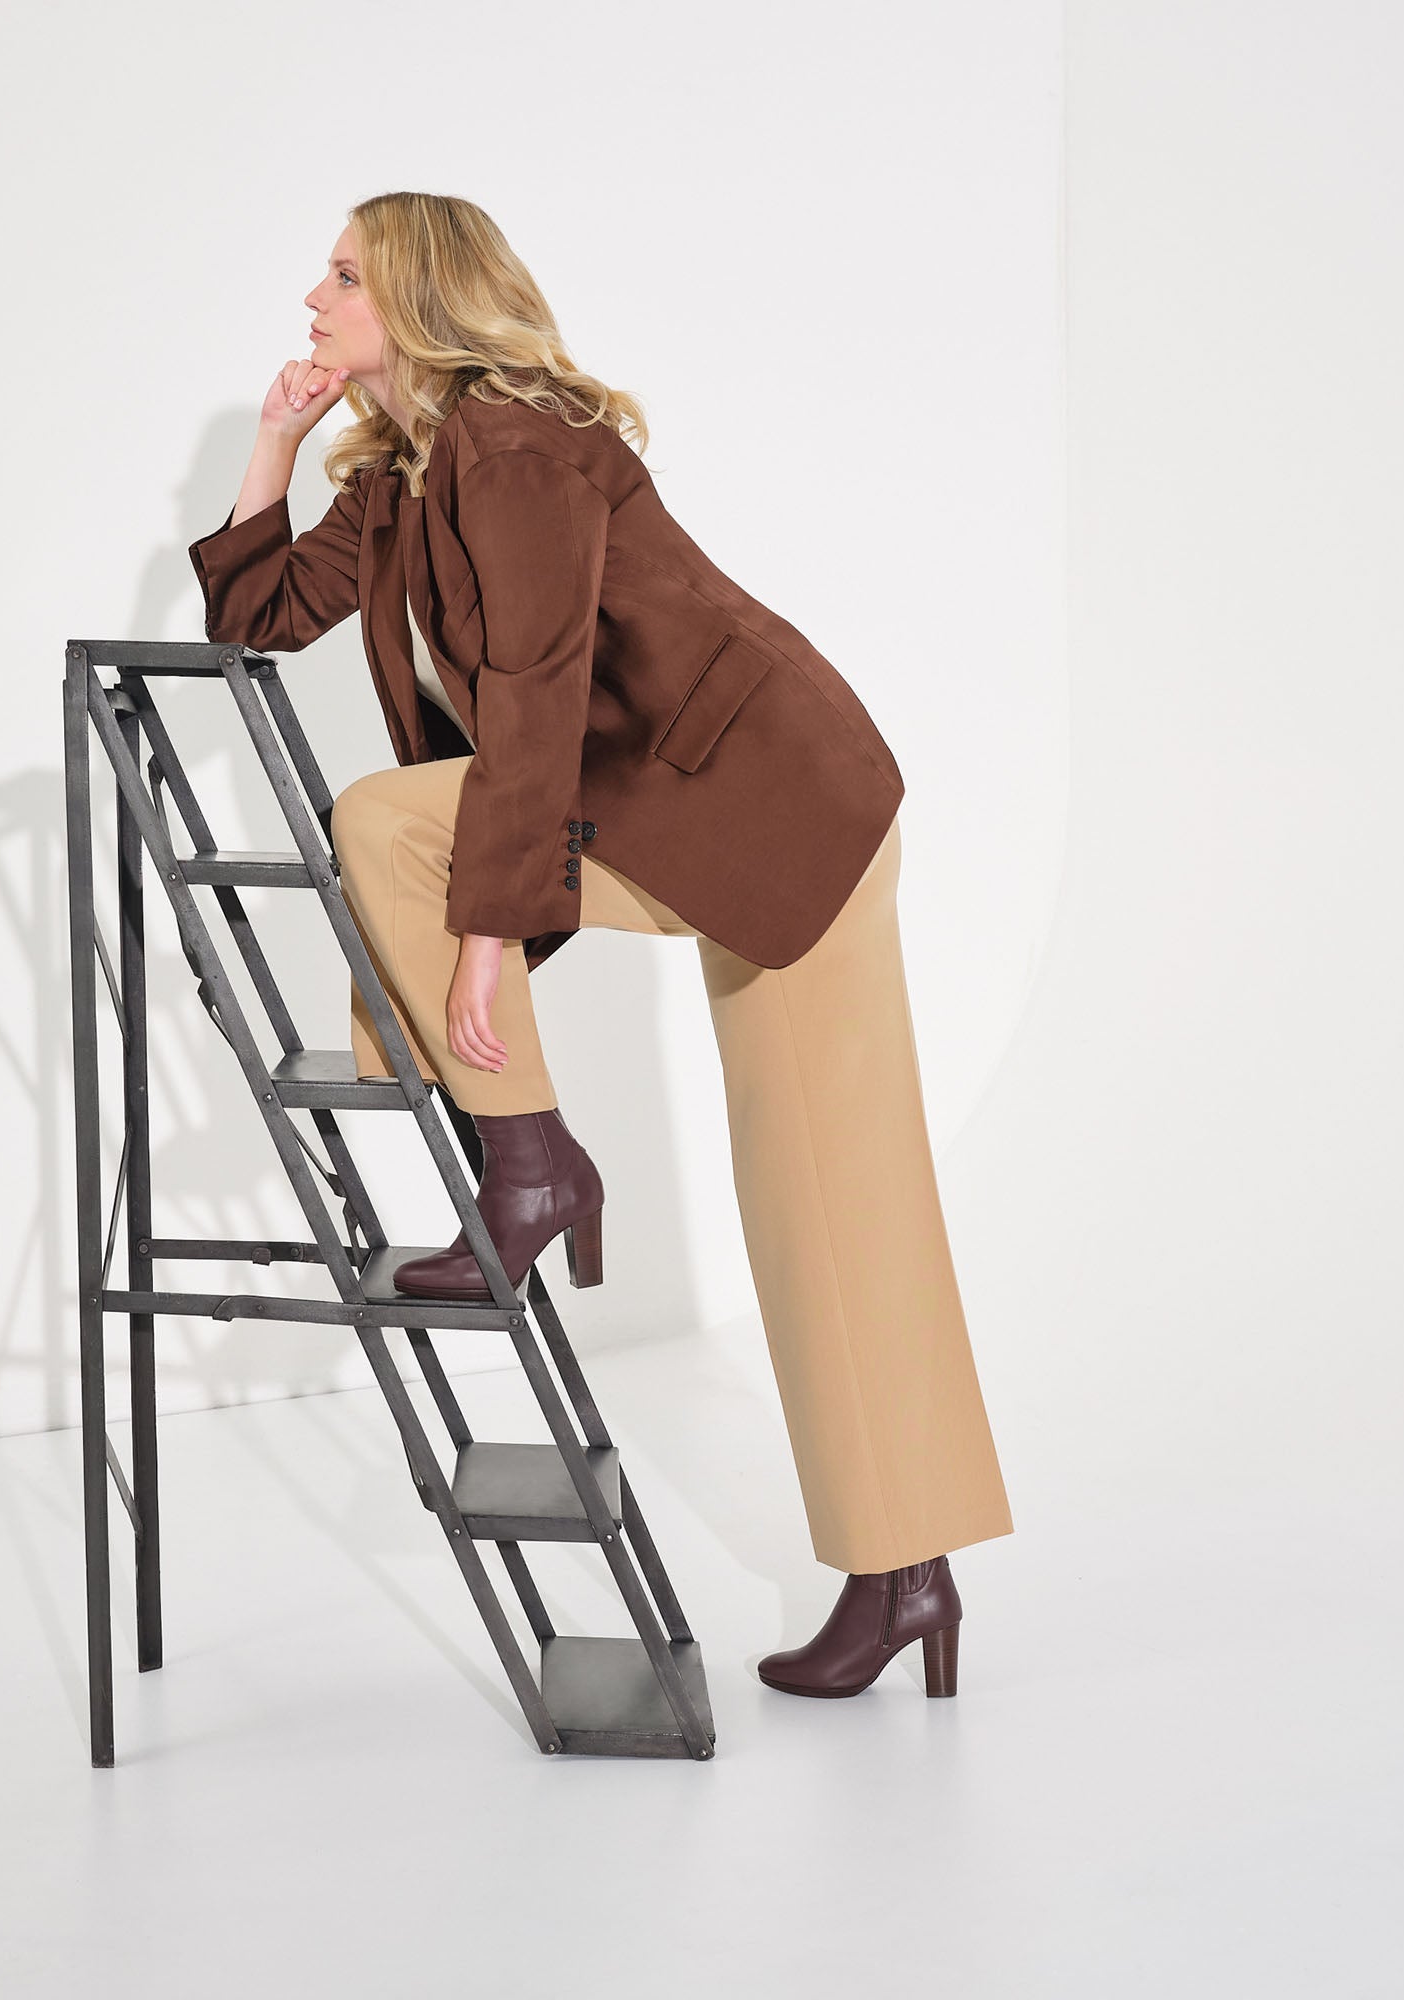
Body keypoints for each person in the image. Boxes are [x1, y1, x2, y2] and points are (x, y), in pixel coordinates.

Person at [188, 191, 1012, 1701]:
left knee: (833, 1208)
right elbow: (259, 616)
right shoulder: (410, 473)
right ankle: (533, 1161)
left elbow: (539, 695)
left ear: (421, 296)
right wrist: (274, 452)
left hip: (780, 817)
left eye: (345, 275)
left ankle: (905, 1577)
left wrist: (490, 940)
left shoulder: (516, 445)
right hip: (662, 817)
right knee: (388, 823)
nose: (314, 298)